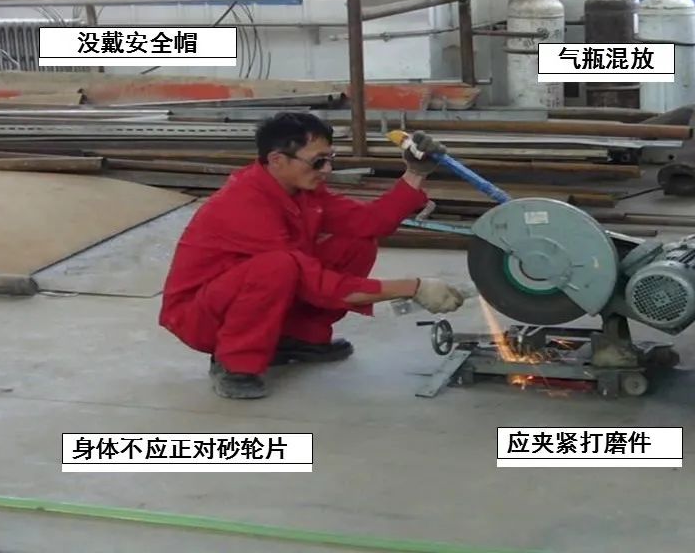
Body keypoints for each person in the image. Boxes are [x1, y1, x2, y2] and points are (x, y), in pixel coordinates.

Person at [158, 112, 466, 399]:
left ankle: (297, 337)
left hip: (243, 292)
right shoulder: (244, 204)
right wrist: (412, 287)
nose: (327, 170)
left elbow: (369, 222)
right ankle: (234, 365)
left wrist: (415, 173)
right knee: (277, 267)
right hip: (200, 316)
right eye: (318, 162)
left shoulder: (302, 192)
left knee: (356, 242)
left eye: (330, 159)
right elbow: (317, 285)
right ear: (277, 160)